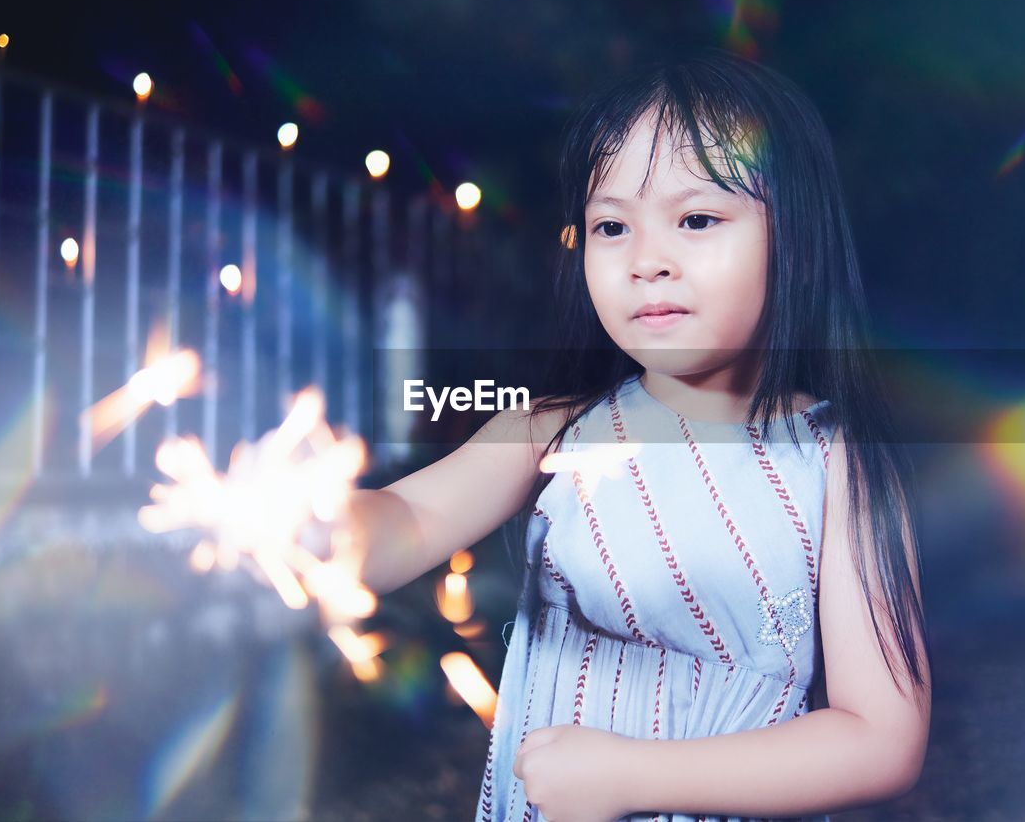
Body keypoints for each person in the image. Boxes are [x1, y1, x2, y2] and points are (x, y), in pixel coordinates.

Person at [349, 47, 931, 822]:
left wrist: (633, 777)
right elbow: (408, 520)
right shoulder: (554, 429)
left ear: (794, 235)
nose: (647, 261)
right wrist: (297, 522)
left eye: (696, 218)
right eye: (612, 225)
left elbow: (880, 738)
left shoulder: (836, 462)